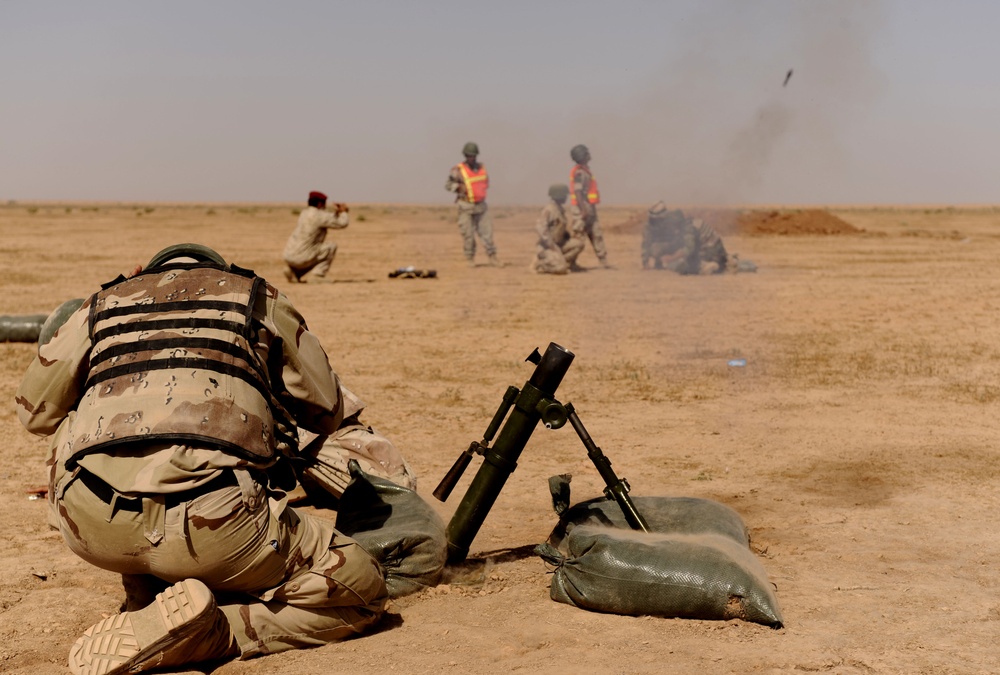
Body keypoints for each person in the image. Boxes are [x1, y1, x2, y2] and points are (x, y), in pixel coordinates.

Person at [15, 243, 388, 674]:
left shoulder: (101, 304)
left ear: (146, 273)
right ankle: (220, 630)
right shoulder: (257, 296)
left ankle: (148, 594)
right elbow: (326, 410)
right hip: (217, 528)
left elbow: (34, 413)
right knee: (364, 589)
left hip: (92, 528)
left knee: (80, 422)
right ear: (220, 272)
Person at [445, 142, 500, 267]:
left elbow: (486, 183)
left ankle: (493, 257)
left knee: (487, 234)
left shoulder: (482, 168)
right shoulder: (457, 170)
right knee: (468, 235)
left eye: (474, 155)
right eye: (469, 155)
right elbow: (447, 185)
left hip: (481, 206)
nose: (472, 158)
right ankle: (470, 258)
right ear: (465, 155)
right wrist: (458, 187)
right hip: (465, 206)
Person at [642, 201, 728, 274]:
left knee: (681, 266)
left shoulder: (688, 227)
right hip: (710, 251)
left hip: (713, 254)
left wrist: (671, 258)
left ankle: (705, 266)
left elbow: (688, 248)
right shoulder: (680, 225)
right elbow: (648, 243)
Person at [282, 191, 350, 283]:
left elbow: (326, 218)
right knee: (330, 247)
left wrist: (336, 213)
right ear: (320, 204)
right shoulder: (320, 216)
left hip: (289, 255)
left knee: (312, 252)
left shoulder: (304, 213)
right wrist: (343, 212)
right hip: (302, 256)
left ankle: (293, 271)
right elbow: (342, 223)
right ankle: (318, 275)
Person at [569, 144, 610, 268]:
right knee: (579, 237)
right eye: (587, 153)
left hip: (589, 207)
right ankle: (571, 262)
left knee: (596, 234)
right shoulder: (580, 173)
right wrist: (583, 210)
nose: (589, 155)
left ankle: (603, 261)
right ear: (582, 156)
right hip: (582, 208)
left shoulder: (585, 171)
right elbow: (578, 191)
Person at [531, 183, 585, 275]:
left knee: (578, 244)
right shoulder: (549, 209)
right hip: (548, 247)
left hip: (559, 244)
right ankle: (541, 264)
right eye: (564, 195)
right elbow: (541, 228)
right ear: (559, 196)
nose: (566, 198)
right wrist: (550, 244)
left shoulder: (559, 209)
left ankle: (567, 263)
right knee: (561, 269)